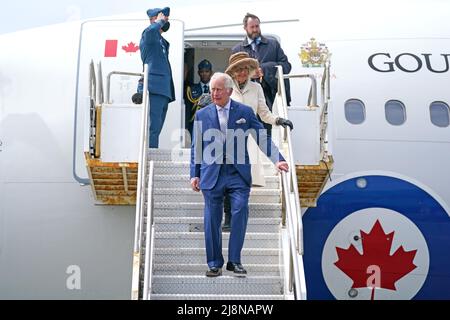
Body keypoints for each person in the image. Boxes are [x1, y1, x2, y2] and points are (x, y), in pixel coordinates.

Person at [190, 72, 289, 277]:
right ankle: (214, 263)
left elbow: (262, 137)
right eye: (212, 90)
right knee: (211, 219)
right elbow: (196, 147)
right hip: (212, 173)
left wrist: (277, 159)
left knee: (240, 210)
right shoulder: (202, 114)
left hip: (237, 173)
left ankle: (235, 260)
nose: (214, 93)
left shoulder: (244, 111)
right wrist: (195, 174)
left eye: (218, 89)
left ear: (228, 90)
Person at [221, 51, 293, 231]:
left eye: (245, 69)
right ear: (233, 72)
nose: (242, 73)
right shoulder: (225, 87)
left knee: (244, 181)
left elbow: (263, 113)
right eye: (238, 70)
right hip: (228, 139)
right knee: (228, 180)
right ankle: (228, 217)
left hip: (250, 138)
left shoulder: (256, 88)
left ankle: (239, 215)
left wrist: (278, 120)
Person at [231, 13, 292, 133]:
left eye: (257, 26)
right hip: (245, 97)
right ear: (245, 28)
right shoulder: (237, 50)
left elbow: (287, 66)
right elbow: (232, 74)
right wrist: (249, 74)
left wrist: (265, 69)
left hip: (269, 96)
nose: (255, 30)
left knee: (265, 131)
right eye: (252, 27)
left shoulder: (273, 45)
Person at [139, 7, 175, 148]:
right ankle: (150, 155)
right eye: (163, 18)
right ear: (154, 19)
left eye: (166, 19)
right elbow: (149, 32)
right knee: (152, 128)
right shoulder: (149, 35)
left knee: (157, 127)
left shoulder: (161, 41)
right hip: (154, 88)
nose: (166, 21)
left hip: (164, 90)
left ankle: (152, 150)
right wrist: (158, 22)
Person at [185, 59, 213, 137]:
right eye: (202, 71)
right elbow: (187, 110)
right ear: (198, 73)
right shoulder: (191, 89)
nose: (204, 74)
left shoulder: (216, 89)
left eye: (207, 71)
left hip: (212, 123)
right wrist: (186, 127)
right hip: (195, 124)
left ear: (211, 72)